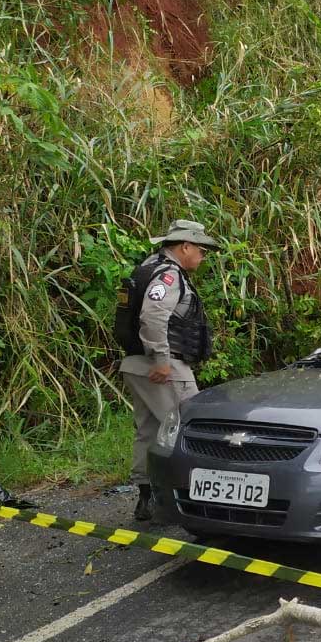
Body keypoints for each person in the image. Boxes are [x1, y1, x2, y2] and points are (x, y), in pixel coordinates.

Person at [117, 220, 221, 521]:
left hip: (136, 365)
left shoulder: (148, 266)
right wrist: (161, 358)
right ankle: (198, 500)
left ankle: (147, 498)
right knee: (191, 428)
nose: (202, 257)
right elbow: (152, 317)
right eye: (200, 250)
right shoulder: (168, 275)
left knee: (148, 431)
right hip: (164, 368)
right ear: (184, 246)